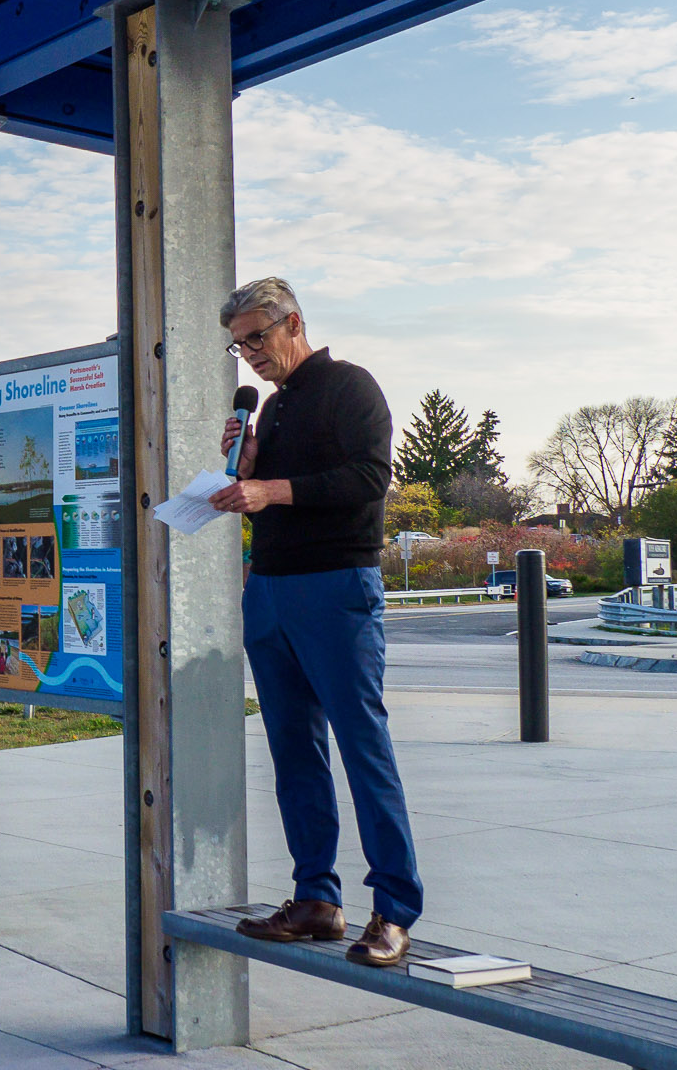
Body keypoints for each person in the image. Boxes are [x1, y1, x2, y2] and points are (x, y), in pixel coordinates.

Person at [209, 276, 421, 969]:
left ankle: (392, 909)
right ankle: (316, 901)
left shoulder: (351, 388)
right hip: (269, 590)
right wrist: (247, 464)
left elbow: (368, 478)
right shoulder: (269, 410)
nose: (250, 356)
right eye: (239, 347)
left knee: (363, 748)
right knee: (293, 752)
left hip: (335, 587)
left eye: (256, 339)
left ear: (292, 322)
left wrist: (273, 488)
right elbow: (267, 495)